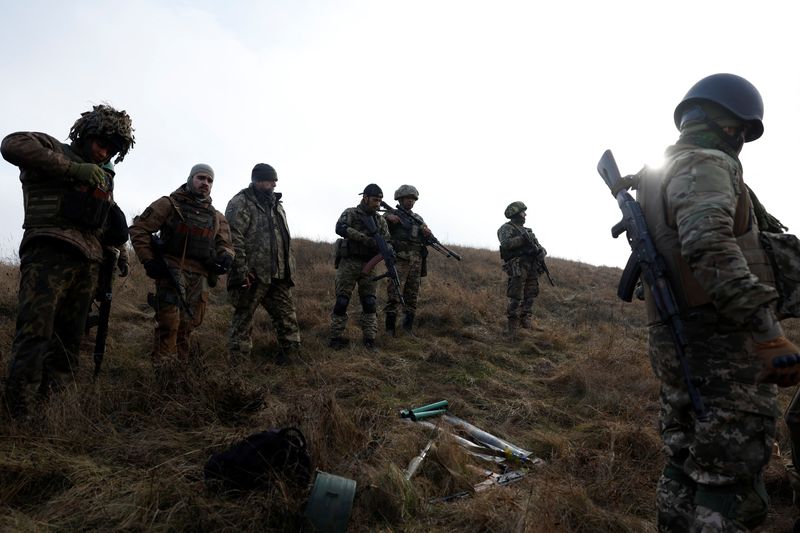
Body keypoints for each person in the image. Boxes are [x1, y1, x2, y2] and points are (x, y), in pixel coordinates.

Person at [636, 73, 800, 531]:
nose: (741, 140)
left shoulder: (656, 175)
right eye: (741, 130)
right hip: (722, 343)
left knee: (686, 458)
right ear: (725, 123)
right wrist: (767, 331)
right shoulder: (705, 164)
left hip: (677, 340)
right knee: (726, 473)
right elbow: (708, 245)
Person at [0, 105, 134, 418]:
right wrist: (72, 170)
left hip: (89, 262)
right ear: (86, 135)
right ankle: (18, 412)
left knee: (69, 341)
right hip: (49, 252)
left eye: (113, 149)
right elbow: (11, 144)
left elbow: (104, 220)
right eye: (102, 142)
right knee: (35, 333)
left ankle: (53, 411)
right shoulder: (54, 151)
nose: (104, 152)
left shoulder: (103, 177)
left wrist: (120, 250)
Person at [129, 164, 234, 379]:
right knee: (169, 325)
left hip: (200, 277)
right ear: (190, 178)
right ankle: (164, 377)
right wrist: (149, 261)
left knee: (188, 326)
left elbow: (227, 245)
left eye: (209, 180)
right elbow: (139, 229)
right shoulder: (169, 204)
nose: (205, 183)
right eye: (201, 178)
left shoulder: (216, 216)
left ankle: (181, 376)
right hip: (172, 271)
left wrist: (225, 258)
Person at [225, 163, 300, 365]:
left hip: (279, 276)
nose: (274, 183)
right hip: (252, 276)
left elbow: (284, 239)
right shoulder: (240, 202)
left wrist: (288, 271)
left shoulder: (277, 205)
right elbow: (233, 239)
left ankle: (292, 361)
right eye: (270, 180)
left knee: (287, 318)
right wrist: (242, 271)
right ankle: (237, 370)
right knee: (243, 320)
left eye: (275, 180)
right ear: (258, 181)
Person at [329, 184, 391, 351]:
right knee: (342, 301)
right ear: (365, 198)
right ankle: (335, 337)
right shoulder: (350, 213)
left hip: (369, 265)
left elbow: (387, 240)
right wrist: (364, 238)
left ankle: (369, 340)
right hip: (349, 263)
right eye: (374, 200)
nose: (377, 204)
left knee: (369, 302)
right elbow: (340, 228)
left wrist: (385, 248)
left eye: (380, 200)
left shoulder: (380, 220)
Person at [382, 185, 432, 336]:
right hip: (399, 260)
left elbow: (427, 236)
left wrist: (427, 232)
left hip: (416, 262)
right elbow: (378, 223)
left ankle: (407, 330)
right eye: (407, 199)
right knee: (394, 294)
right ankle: (389, 331)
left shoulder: (417, 219)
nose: (410, 202)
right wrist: (388, 217)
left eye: (413, 199)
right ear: (400, 199)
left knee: (412, 295)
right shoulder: (390, 214)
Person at [497, 201, 546, 335]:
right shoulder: (506, 228)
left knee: (531, 293)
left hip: (532, 266)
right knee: (516, 294)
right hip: (518, 265)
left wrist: (542, 252)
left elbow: (539, 246)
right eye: (523, 212)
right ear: (516, 213)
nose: (525, 214)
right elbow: (506, 244)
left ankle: (526, 321)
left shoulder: (528, 231)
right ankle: (512, 325)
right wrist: (523, 239)